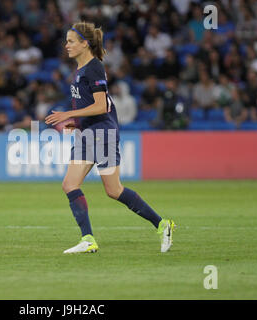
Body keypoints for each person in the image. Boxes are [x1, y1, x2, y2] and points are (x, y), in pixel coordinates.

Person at [45, 22, 175, 254]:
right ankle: (88, 239)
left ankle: (162, 224)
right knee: (70, 184)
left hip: (103, 134)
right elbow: (96, 106)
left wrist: (69, 114)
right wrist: (76, 123)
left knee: (113, 190)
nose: (66, 45)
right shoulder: (80, 71)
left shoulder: (94, 68)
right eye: (66, 41)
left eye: (71, 41)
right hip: (88, 134)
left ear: (85, 43)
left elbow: (102, 105)